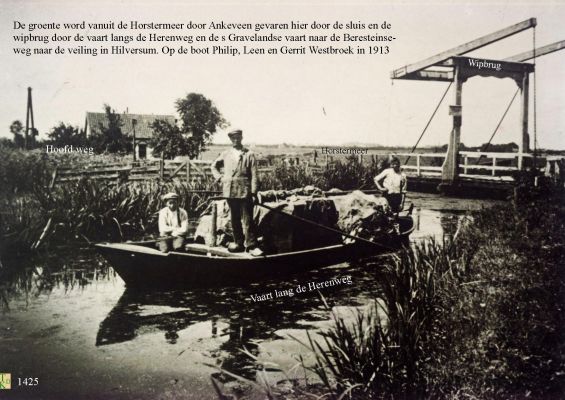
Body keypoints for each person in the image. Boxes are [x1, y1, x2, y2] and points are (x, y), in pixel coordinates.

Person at [211, 129, 263, 256]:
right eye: (233, 138)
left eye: (238, 138)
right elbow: (213, 166)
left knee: (248, 219)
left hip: (245, 191)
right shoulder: (225, 153)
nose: (235, 140)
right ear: (230, 140)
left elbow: (255, 175)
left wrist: (254, 192)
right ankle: (238, 243)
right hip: (229, 190)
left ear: (241, 138)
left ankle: (251, 245)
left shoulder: (249, 154)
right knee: (234, 219)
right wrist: (220, 178)